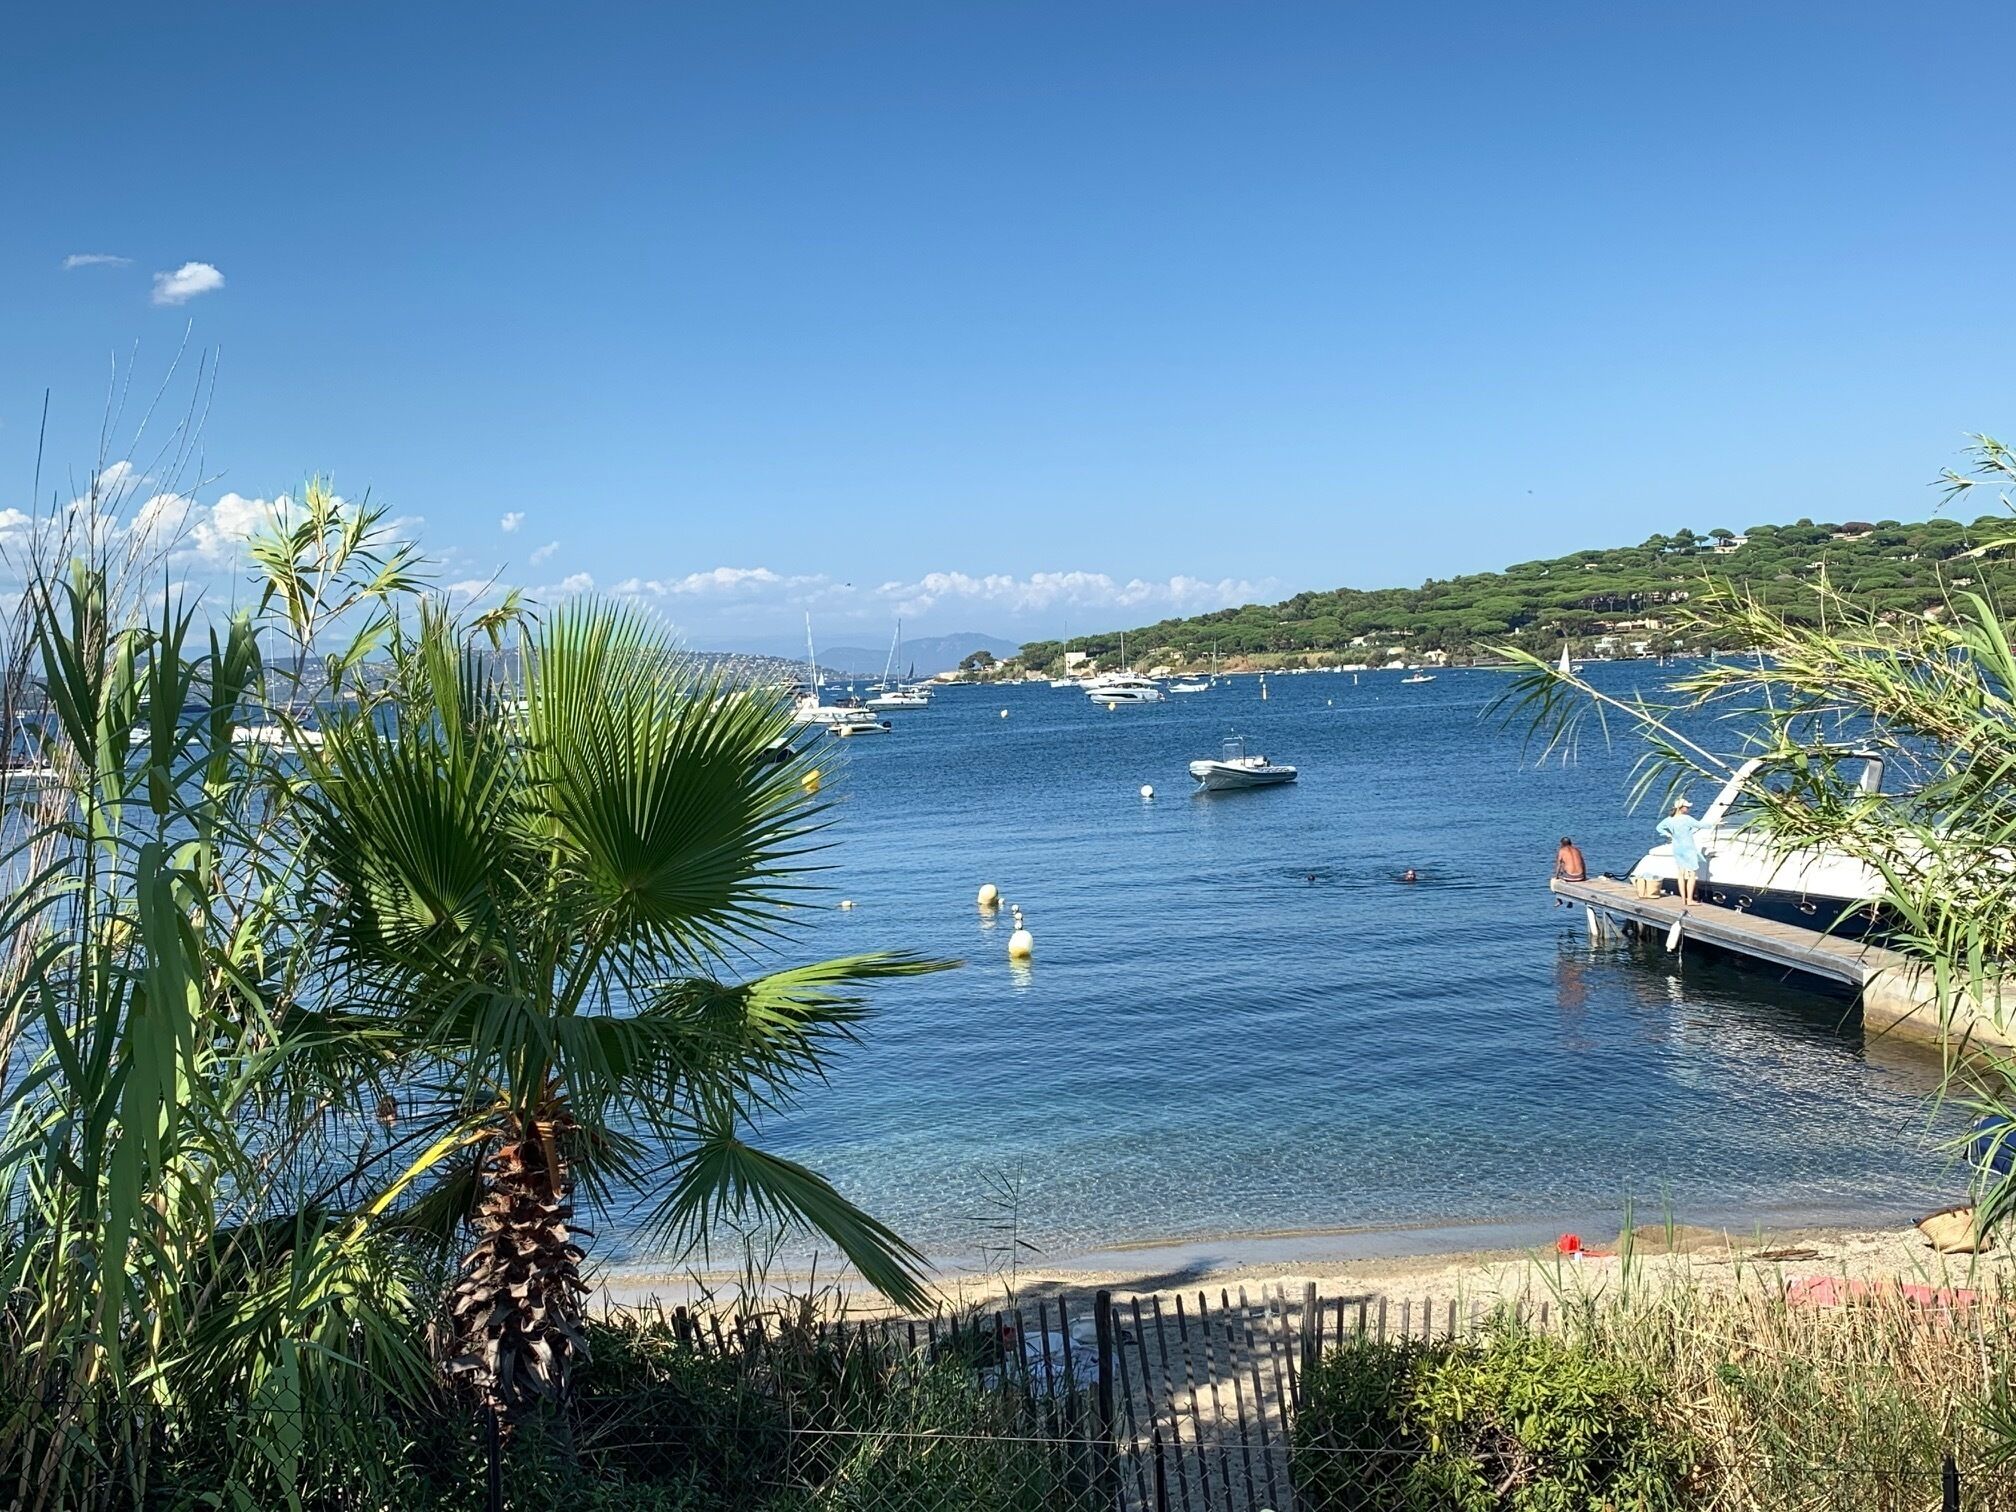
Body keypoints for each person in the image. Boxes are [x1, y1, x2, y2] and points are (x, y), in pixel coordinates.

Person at [1655, 798, 1707, 906]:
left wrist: (1669, 835)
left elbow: (1659, 828)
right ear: (1681, 808)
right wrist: (1715, 823)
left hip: (1677, 848)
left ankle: (1683, 899)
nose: (1688, 808)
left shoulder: (1670, 819)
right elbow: (1701, 825)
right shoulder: (1686, 819)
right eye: (1686, 807)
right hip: (1688, 848)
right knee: (1692, 873)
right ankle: (1689, 899)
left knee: (1681, 873)